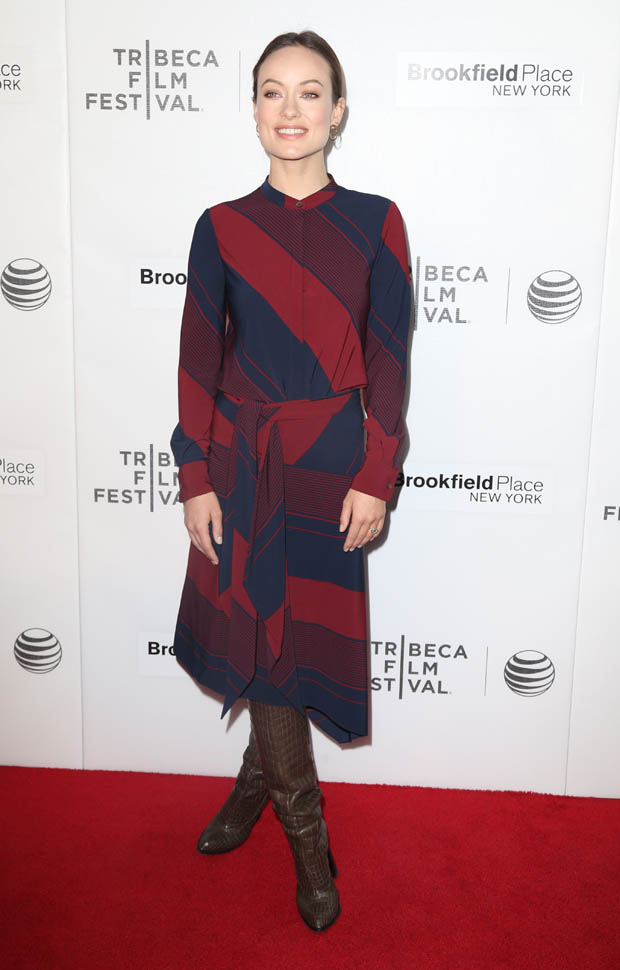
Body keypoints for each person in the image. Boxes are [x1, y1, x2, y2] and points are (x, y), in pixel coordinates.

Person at [170, 29, 413, 932]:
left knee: (286, 649)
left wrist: (377, 474)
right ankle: (309, 842)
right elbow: (197, 361)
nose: (290, 109)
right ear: (254, 109)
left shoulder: (377, 222)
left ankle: (253, 786)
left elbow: (389, 361)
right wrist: (195, 473)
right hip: (240, 464)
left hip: (330, 466)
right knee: (268, 653)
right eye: (272, 91)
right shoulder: (221, 226)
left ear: (337, 111)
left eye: (310, 92)